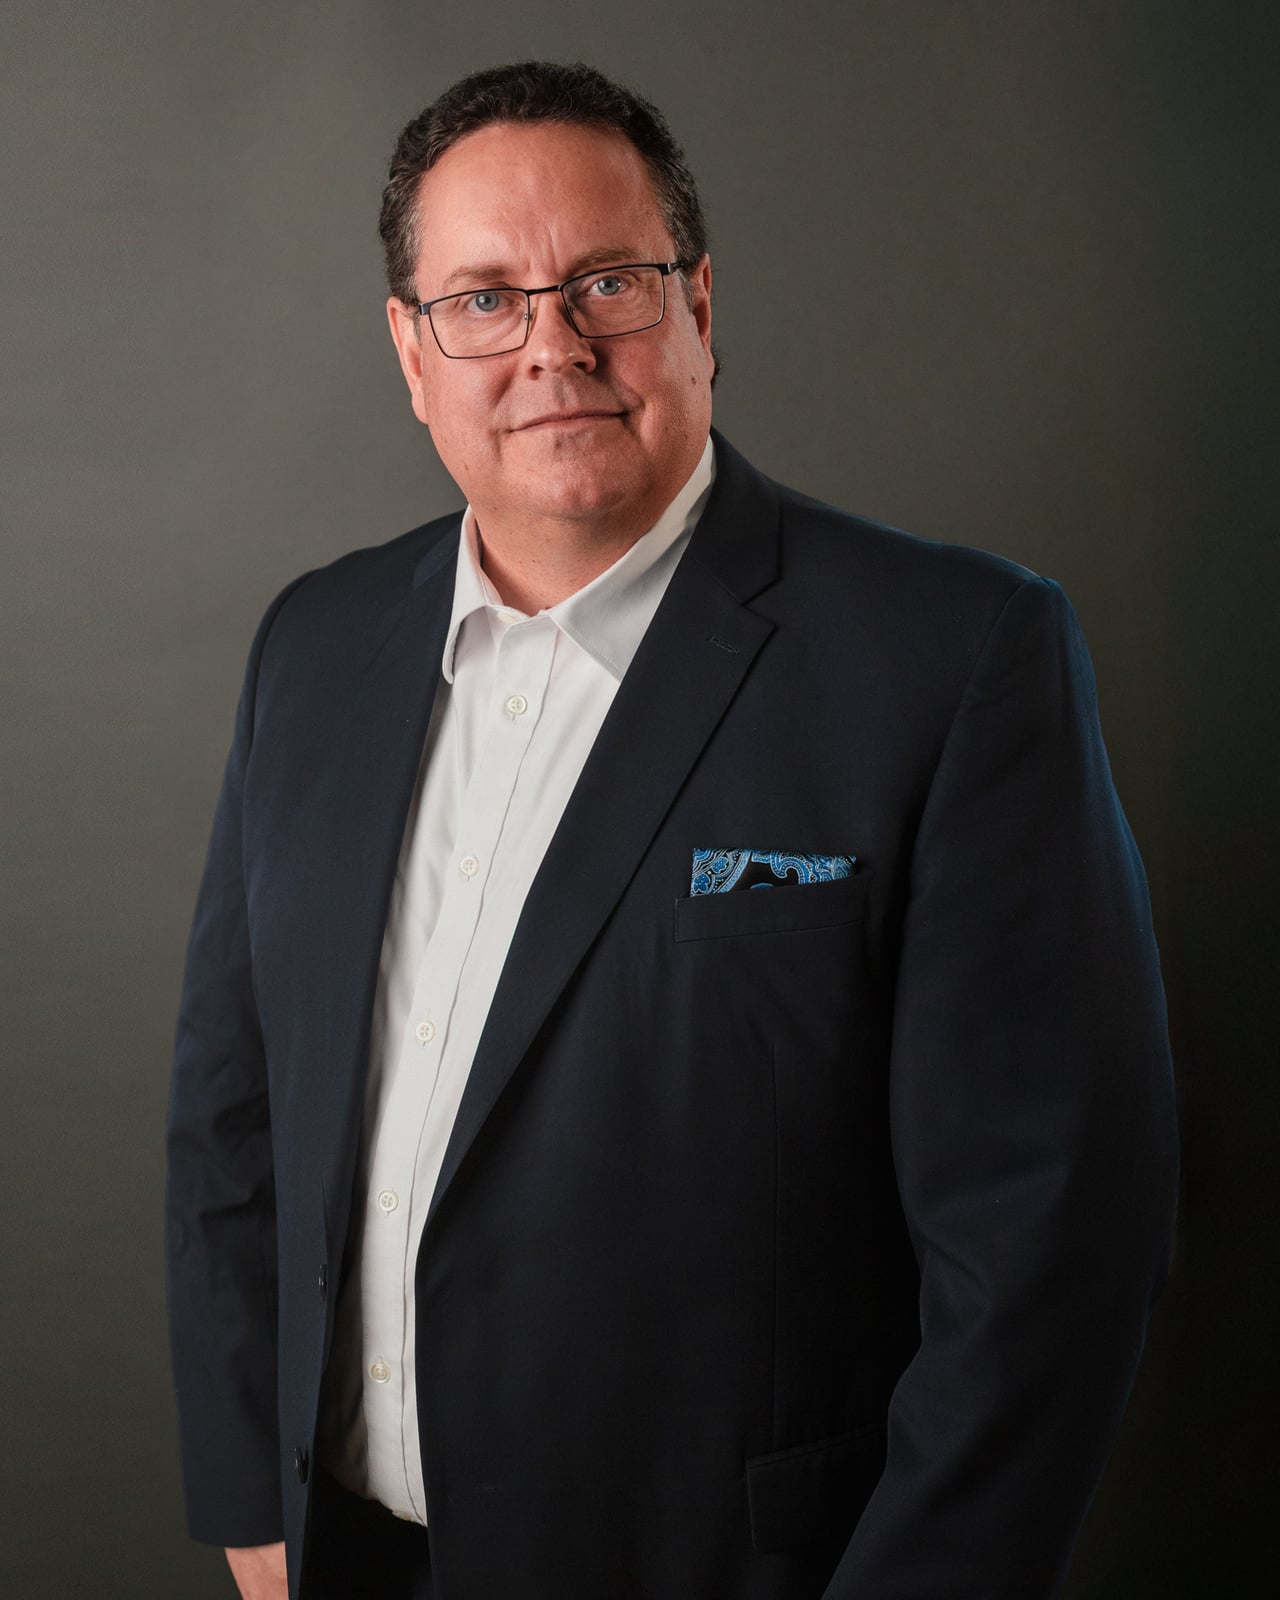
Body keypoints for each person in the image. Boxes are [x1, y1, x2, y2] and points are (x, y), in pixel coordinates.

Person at [166, 59, 1178, 1600]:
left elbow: (1052, 1250)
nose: (551, 345)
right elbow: (231, 1123)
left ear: (698, 305)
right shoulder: (312, 647)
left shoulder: (955, 656)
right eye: (484, 300)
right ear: (411, 351)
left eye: (608, 283)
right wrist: (254, 1516)